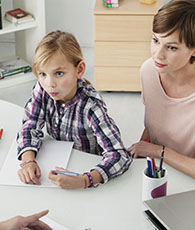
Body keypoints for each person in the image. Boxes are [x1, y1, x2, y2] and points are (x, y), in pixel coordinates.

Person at [128, 0, 195, 188]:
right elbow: (154, 129)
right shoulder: (149, 71)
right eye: (155, 41)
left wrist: (158, 151)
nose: (157, 55)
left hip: (192, 183)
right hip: (157, 172)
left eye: (172, 47)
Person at [16, 30, 132, 189]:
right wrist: (28, 161)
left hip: (86, 167)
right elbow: (30, 124)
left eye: (59, 73)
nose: (50, 83)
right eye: (42, 74)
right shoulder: (43, 89)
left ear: (79, 69)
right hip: (59, 160)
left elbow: (120, 155)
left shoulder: (91, 106)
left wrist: (85, 180)